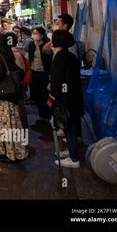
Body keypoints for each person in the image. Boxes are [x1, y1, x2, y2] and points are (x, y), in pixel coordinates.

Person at [0, 33, 28, 163]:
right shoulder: (10, 55)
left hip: (4, 98)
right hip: (13, 97)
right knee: (13, 125)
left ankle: (9, 154)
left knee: (5, 127)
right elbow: (20, 72)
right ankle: (18, 152)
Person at [48, 30, 84, 168]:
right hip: (74, 97)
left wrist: (53, 95)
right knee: (72, 127)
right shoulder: (71, 56)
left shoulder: (59, 57)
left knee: (68, 128)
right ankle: (71, 151)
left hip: (66, 99)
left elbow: (57, 83)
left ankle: (74, 159)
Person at [28, 27, 53, 122]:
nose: (34, 35)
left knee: (45, 94)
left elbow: (50, 58)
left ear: (42, 35)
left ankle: (47, 113)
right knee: (36, 94)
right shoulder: (31, 44)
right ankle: (41, 113)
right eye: (33, 33)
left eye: (36, 33)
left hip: (44, 72)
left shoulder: (48, 44)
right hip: (34, 71)